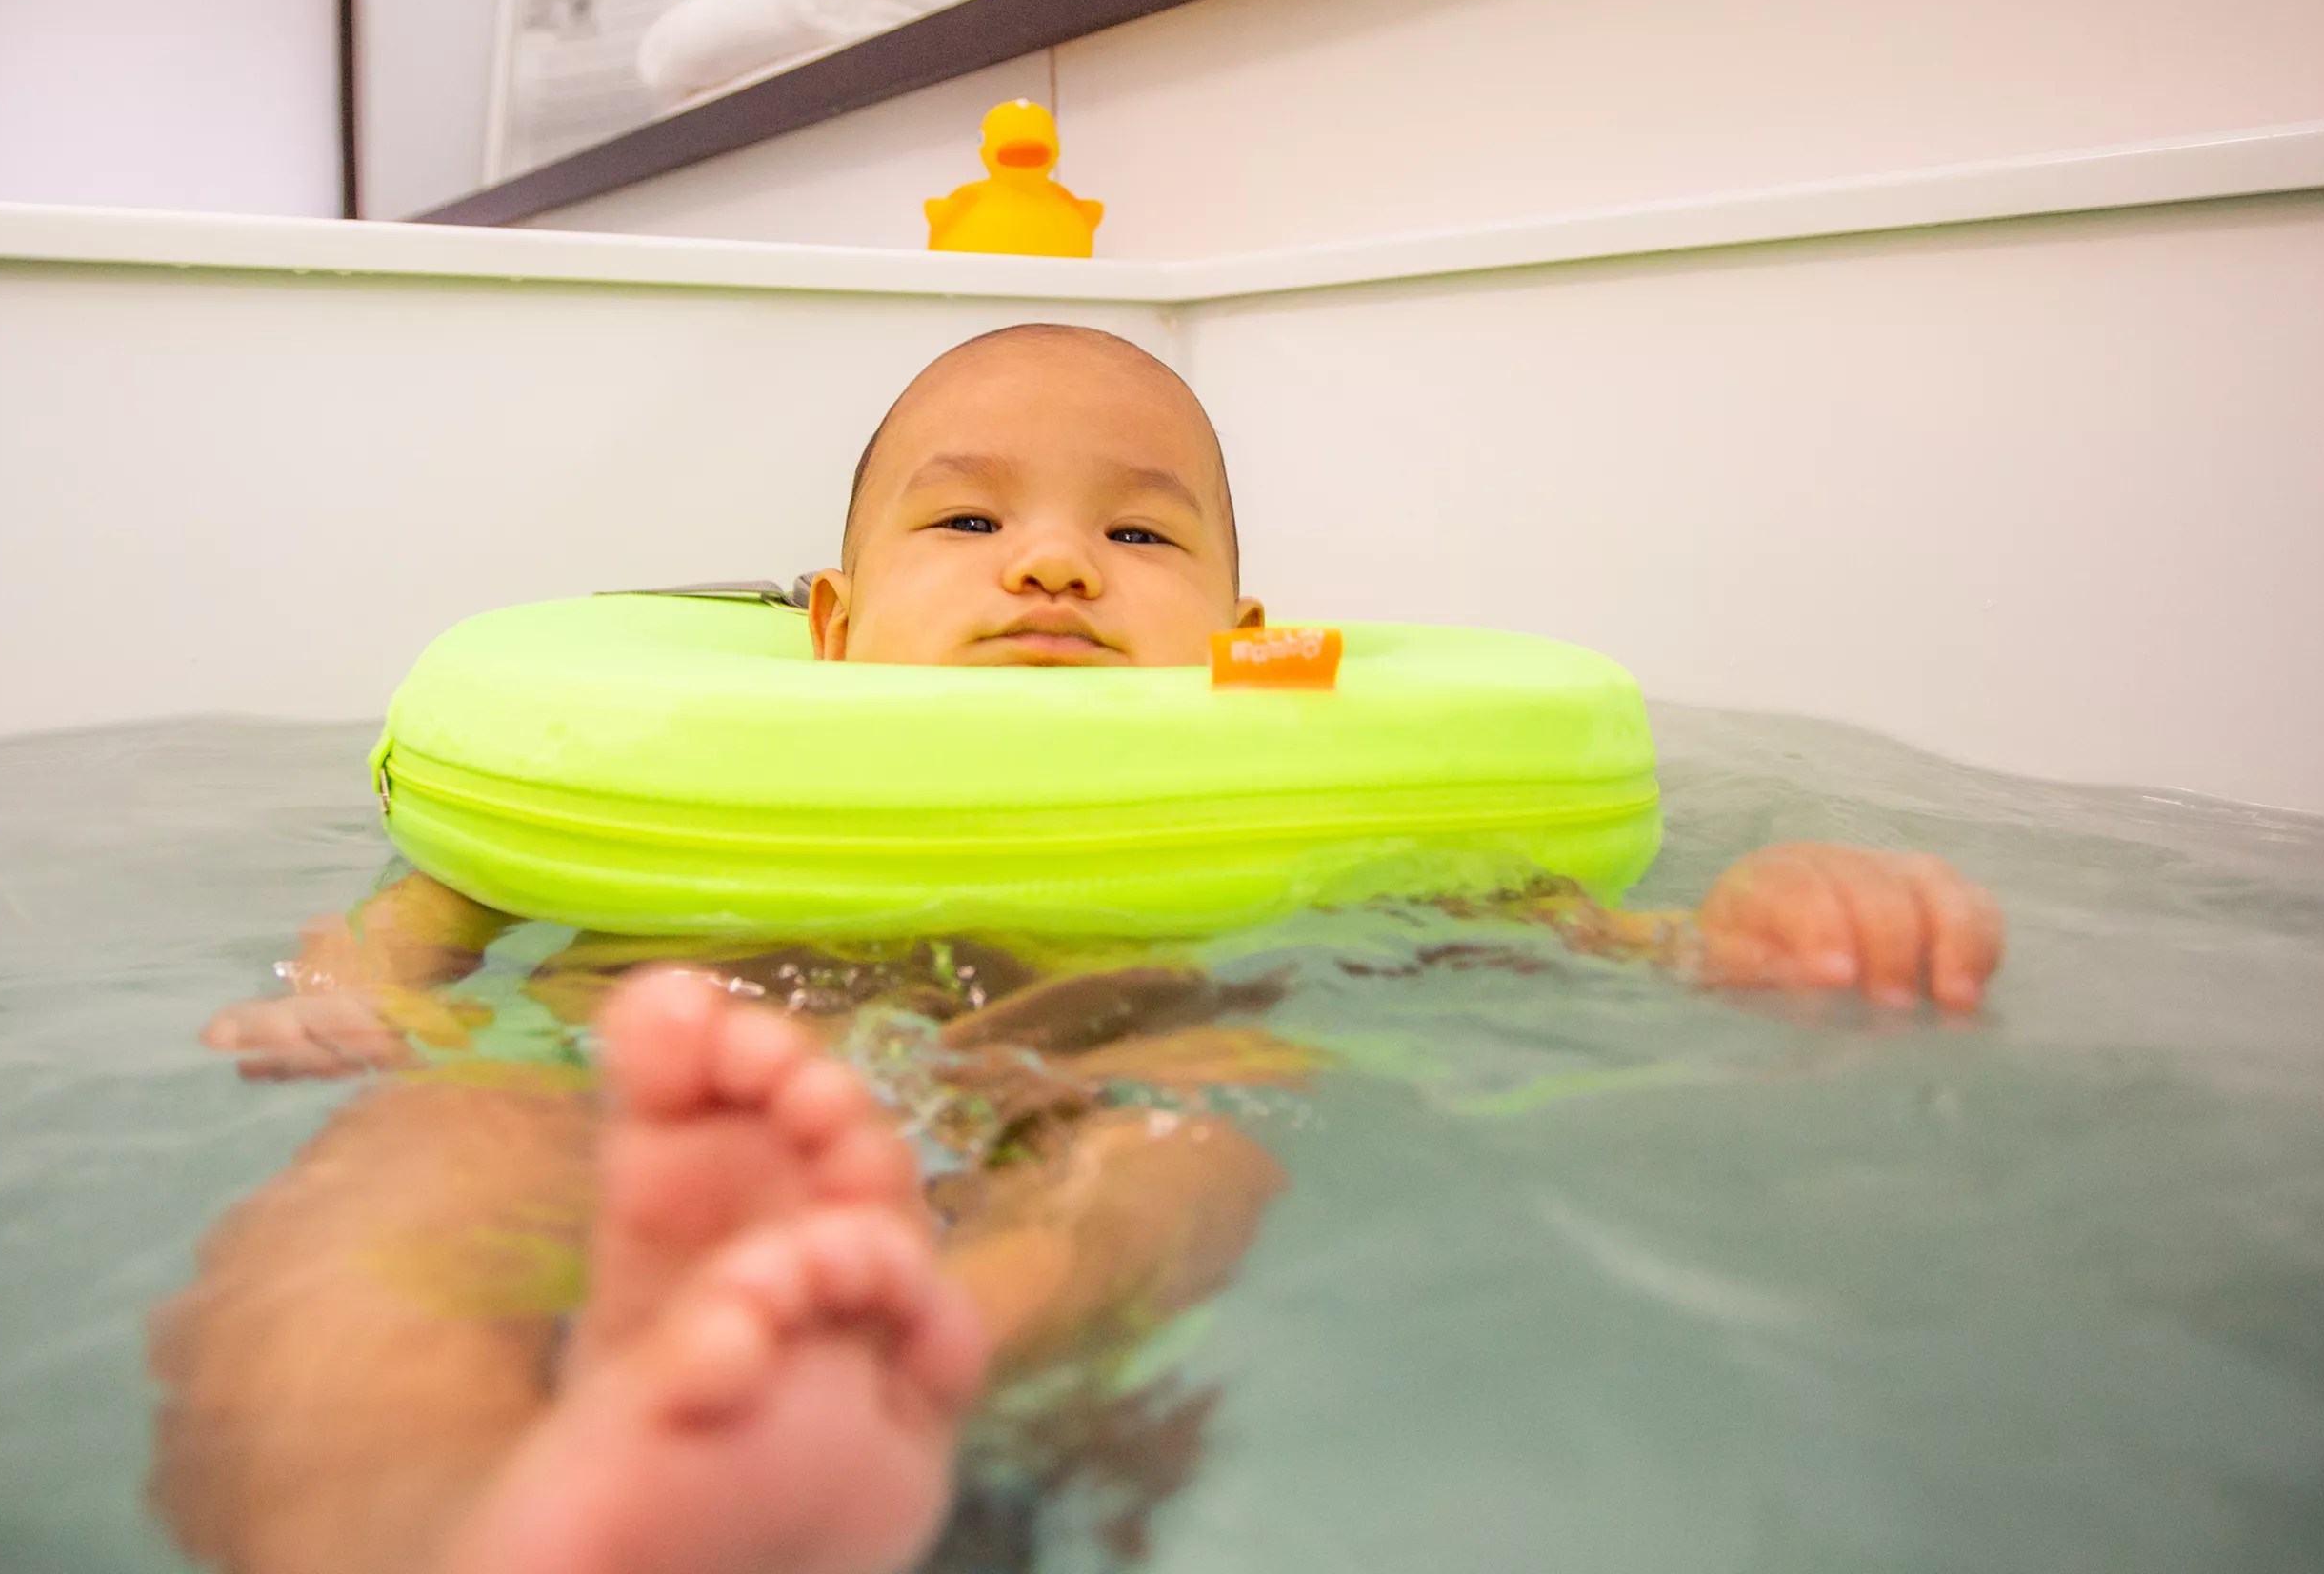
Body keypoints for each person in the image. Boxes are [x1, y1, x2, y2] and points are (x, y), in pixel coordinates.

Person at [155, 324, 2004, 1574]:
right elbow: (442, 895)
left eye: (1137, 529)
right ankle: (443, 1524)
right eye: (969, 518)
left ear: (1247, 632)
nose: (1053, 564)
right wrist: (367, 992)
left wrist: (1766, 915)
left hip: (1094, 1066)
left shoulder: (1312, 800)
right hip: (637, 1076)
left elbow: (1585, 934)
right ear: (833, 621)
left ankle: (891, 1370)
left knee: (1194, 1121)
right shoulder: (647, 787)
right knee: (432, 1153)